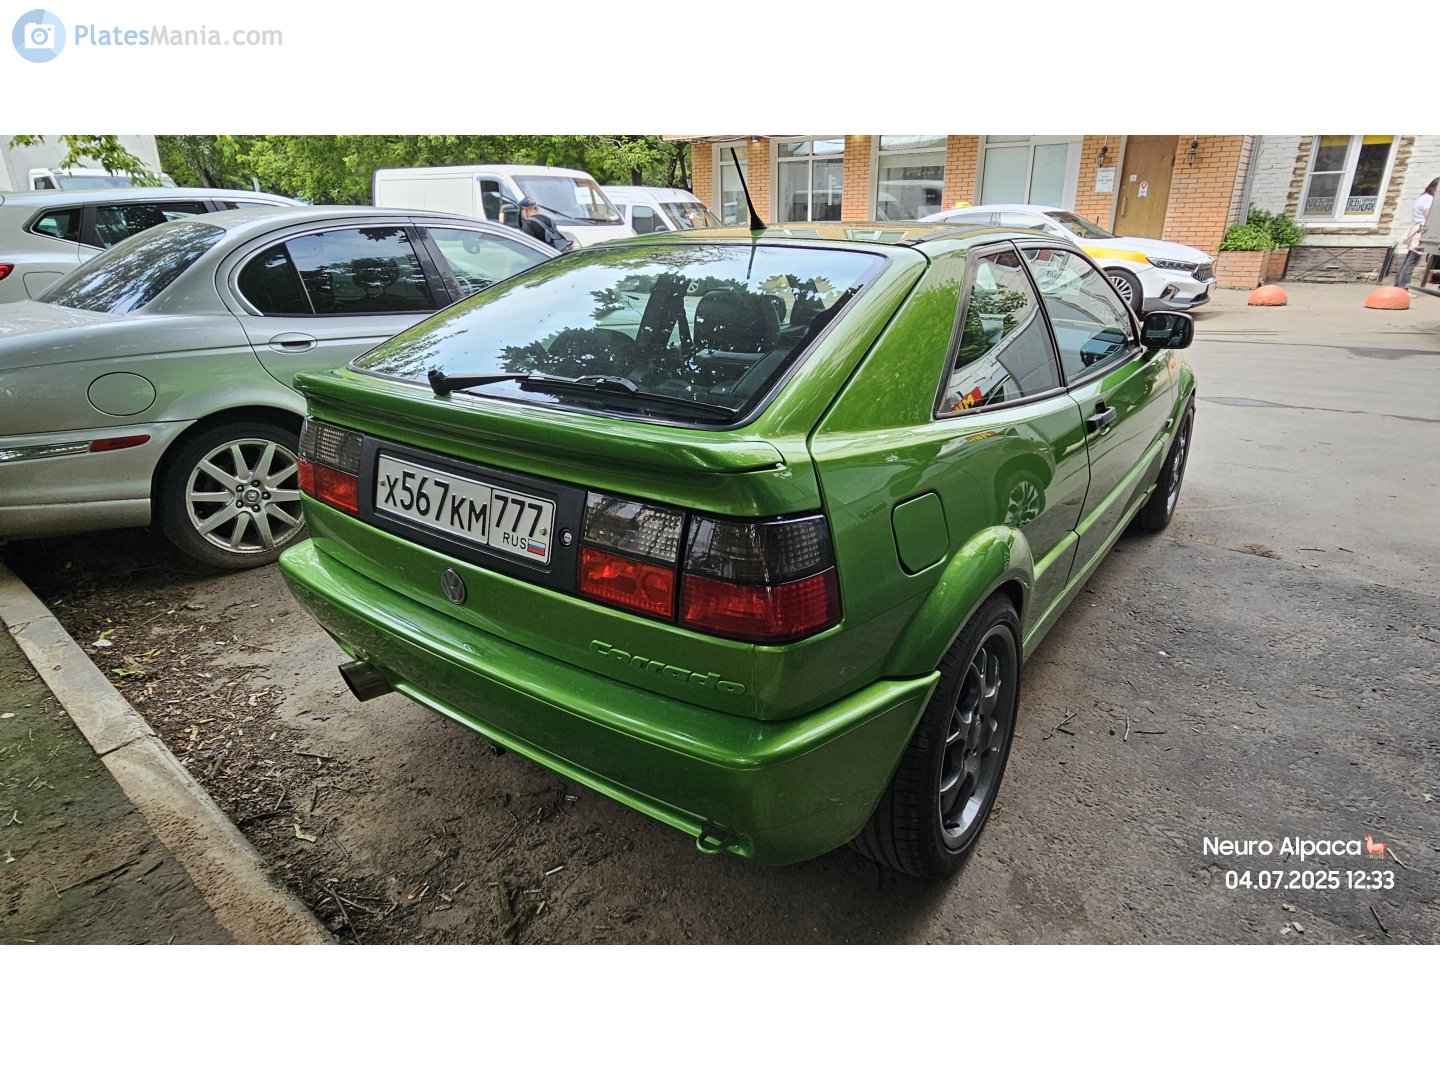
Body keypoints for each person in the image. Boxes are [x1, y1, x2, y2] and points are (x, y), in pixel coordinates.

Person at [1393, 176, 1436, 288]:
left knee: (1409, 259)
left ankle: (1398, 284)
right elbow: (1429, 216)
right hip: (1422, 230)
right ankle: (1404, 287)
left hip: (1417, 228)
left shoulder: (1422, 197)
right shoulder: (1429, 199)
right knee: (1412, 260)